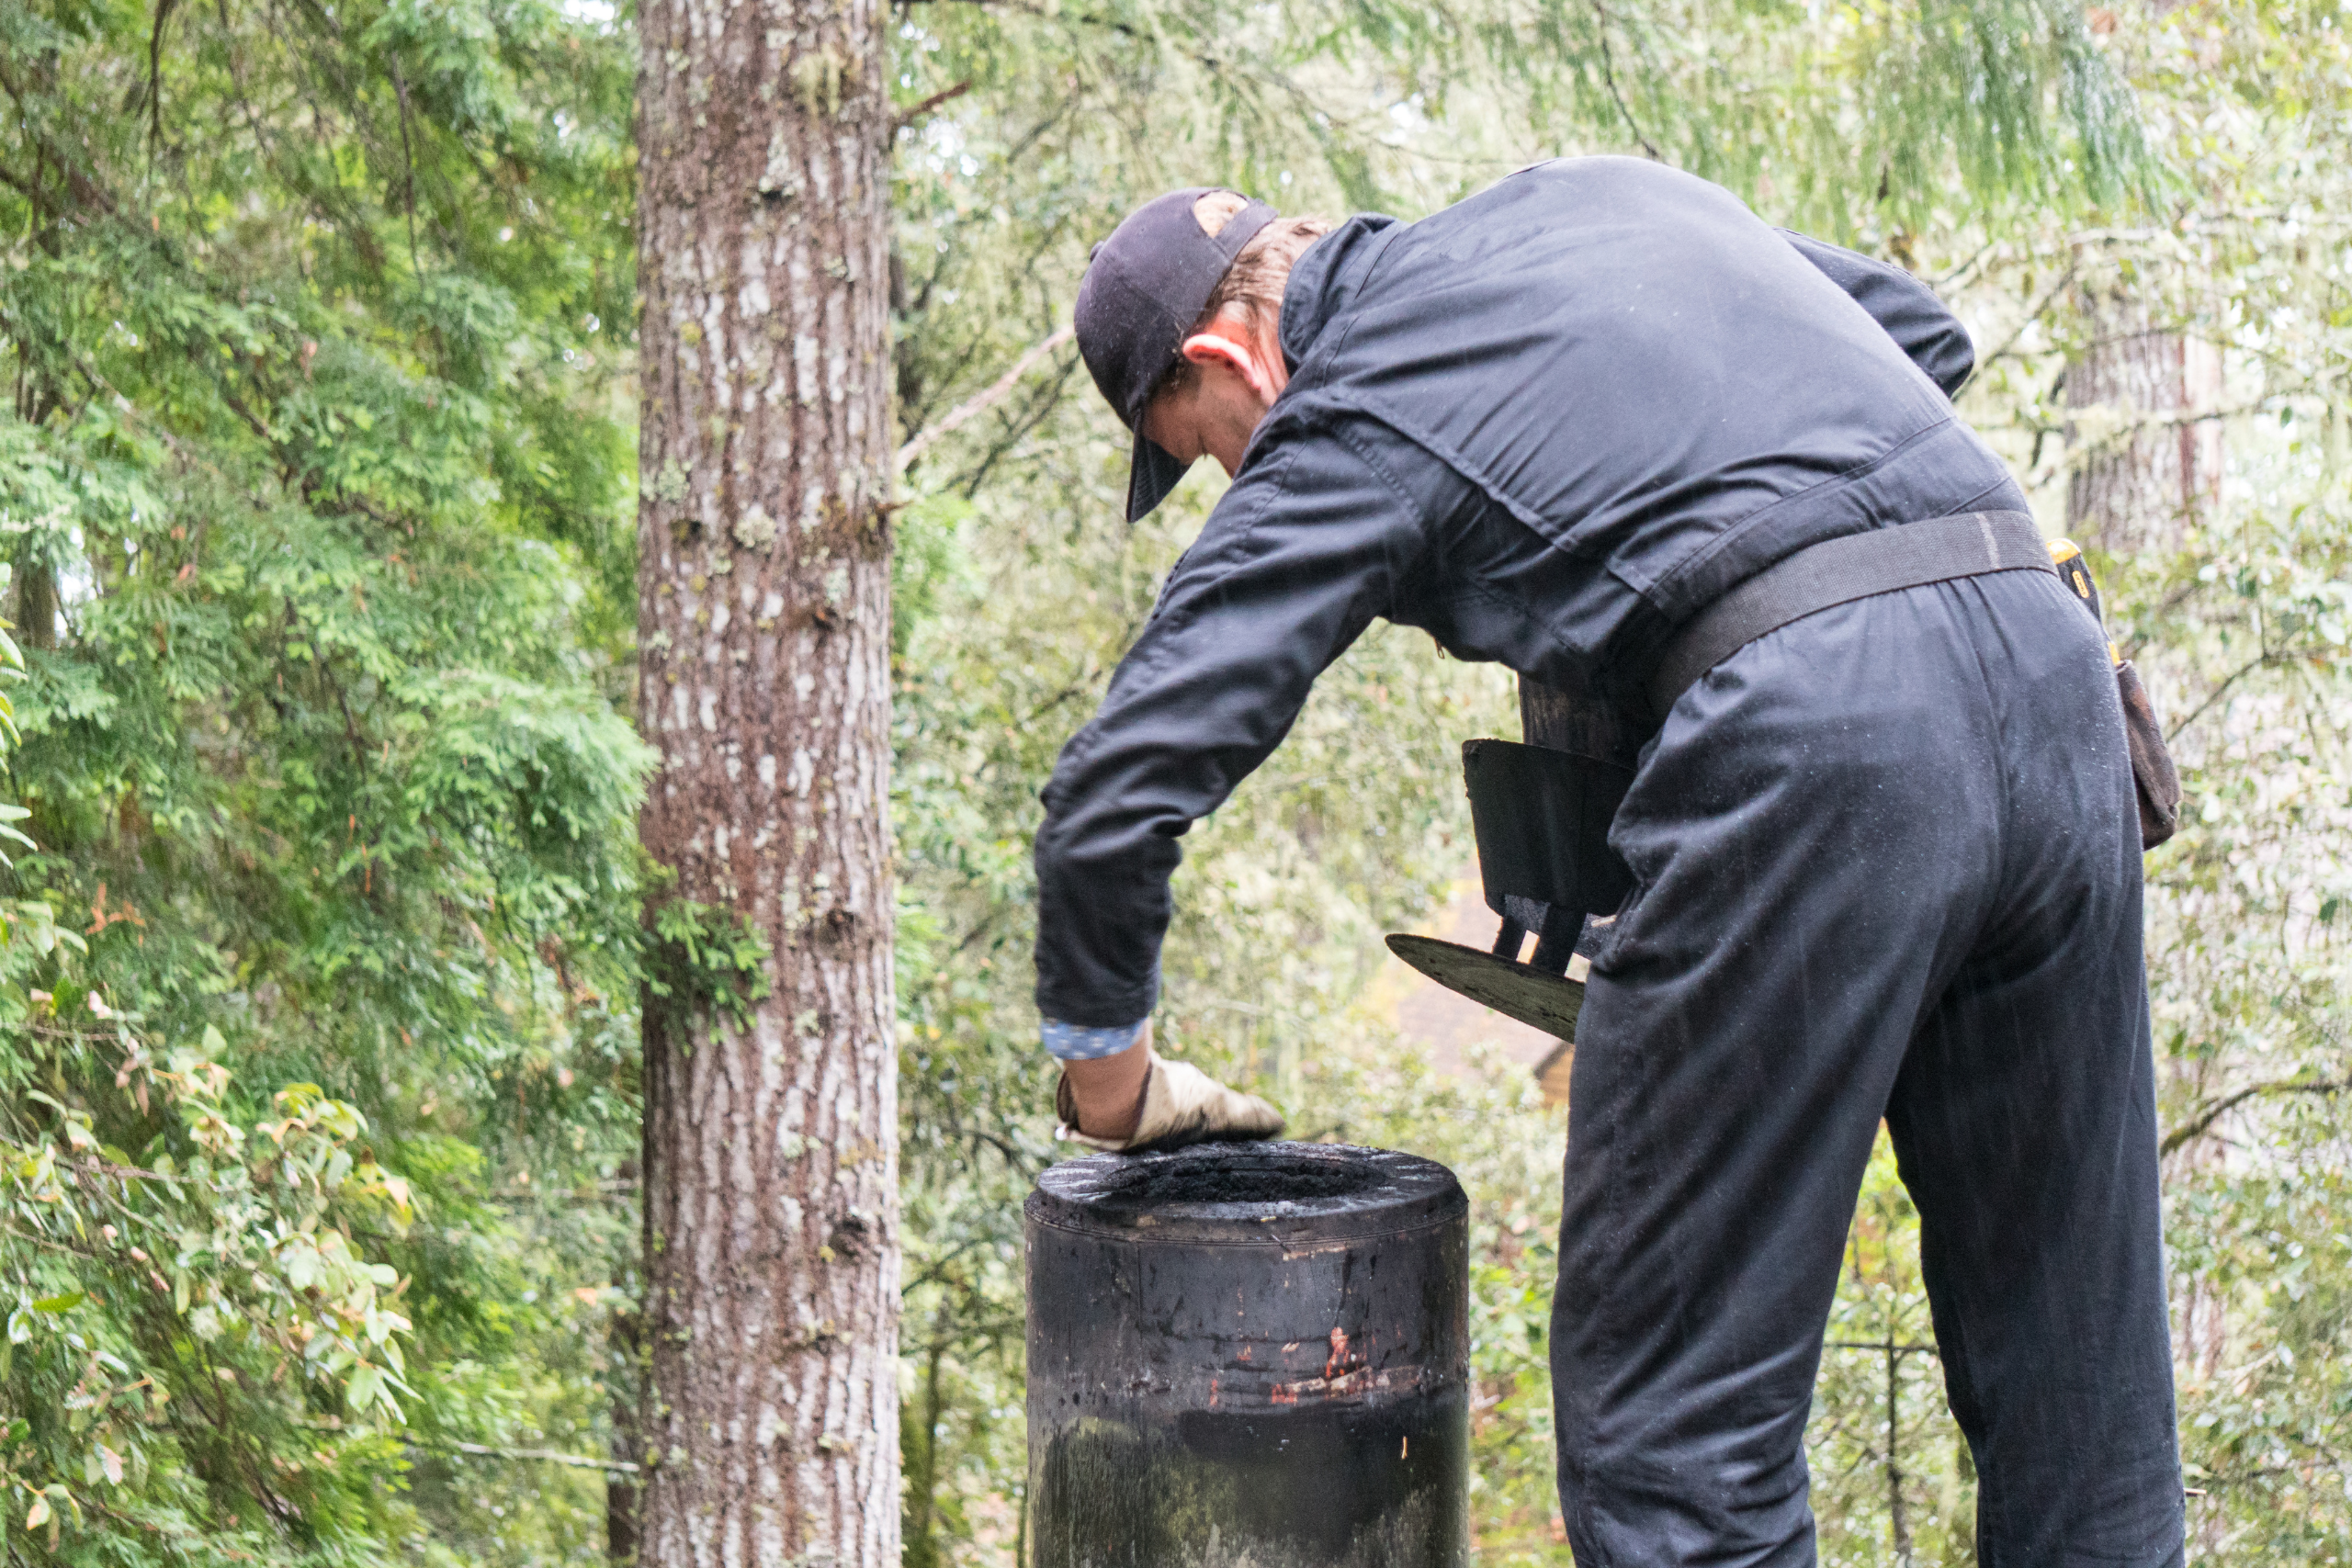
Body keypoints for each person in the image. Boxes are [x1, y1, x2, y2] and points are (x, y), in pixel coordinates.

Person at [1037, 157, 2185, 1566]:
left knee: (1673, 1451)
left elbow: (1112, 794)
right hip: (2055, 678)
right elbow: (1920, 332)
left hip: (1820, 742)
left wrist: (1116, 1087)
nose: (1236, 475)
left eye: (1213, 445)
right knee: (2086, 1414)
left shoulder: (1356, 406)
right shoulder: (1591, 198)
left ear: (1228, 351)